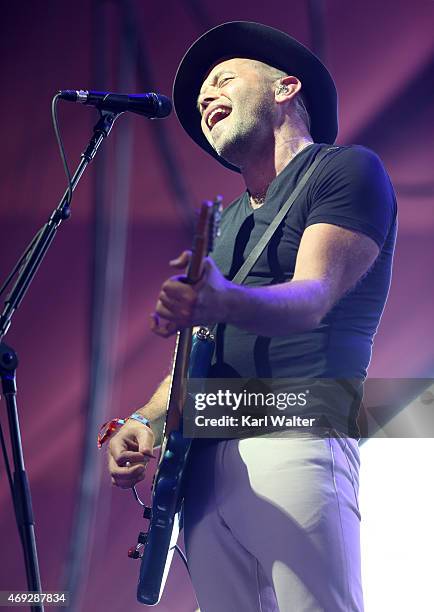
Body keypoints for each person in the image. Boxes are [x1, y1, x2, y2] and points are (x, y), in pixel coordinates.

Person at [106, 21, 397, 612]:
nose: (205, 97)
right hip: (204, 457)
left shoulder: (344, 171)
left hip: (296, 427)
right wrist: (145, 420)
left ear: (285, 88)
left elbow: (312, 296)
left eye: (222, 80)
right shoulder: (223, 222)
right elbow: (200, 351)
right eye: (199, 95)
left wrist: (221, 299)